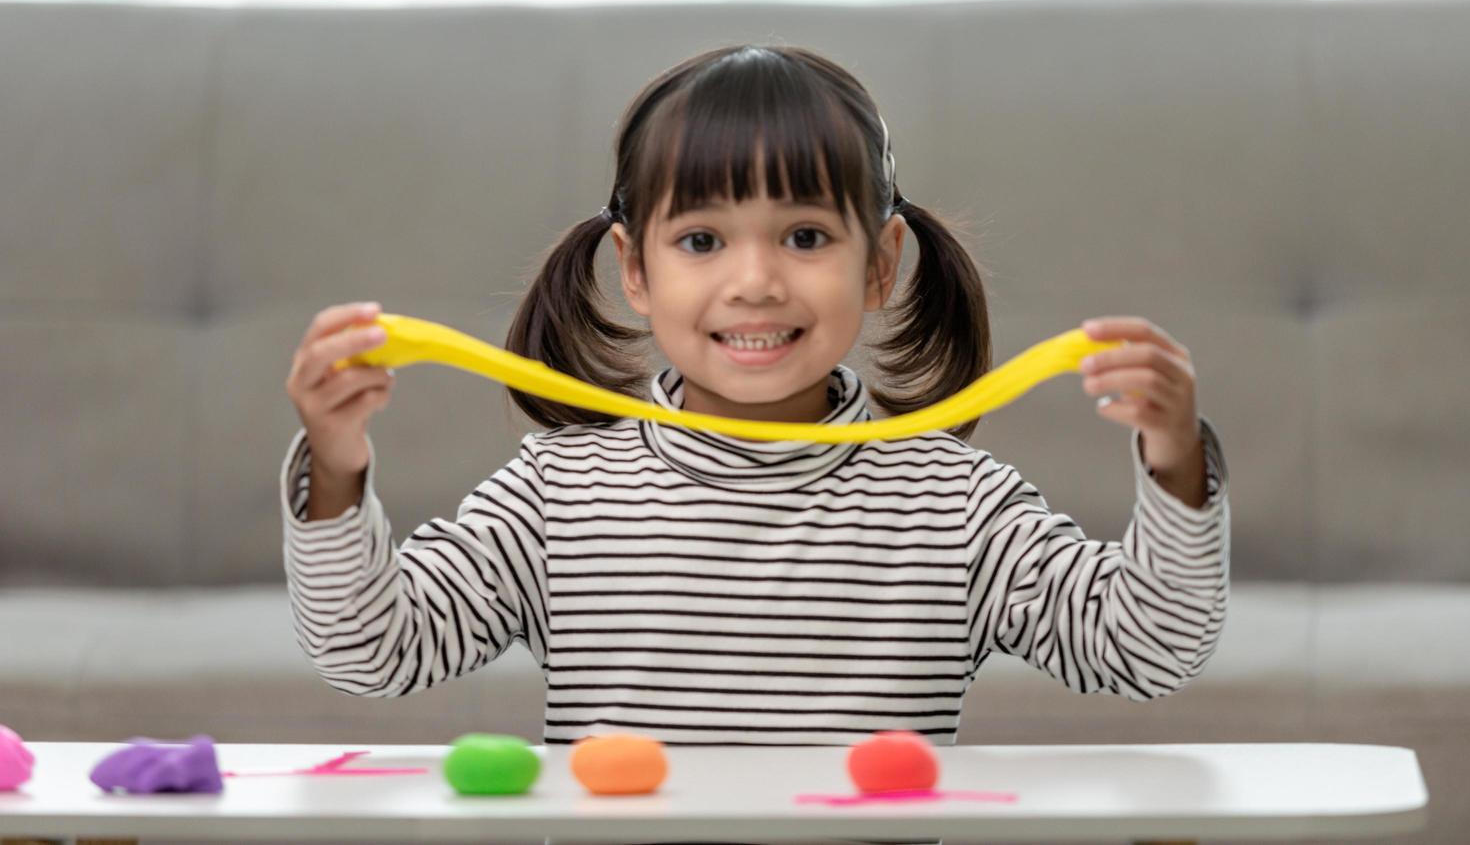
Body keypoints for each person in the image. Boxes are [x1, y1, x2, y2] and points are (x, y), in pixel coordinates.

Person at [281, 44, 1229, 845]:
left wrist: (1175, 462)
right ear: (634, 270)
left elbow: (1146, 650)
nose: (756, 282)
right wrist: (334, 462)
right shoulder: (557, 493)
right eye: (701, 241)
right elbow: (372, 652)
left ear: (882, 264)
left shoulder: (956, 503)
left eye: (806, 234)